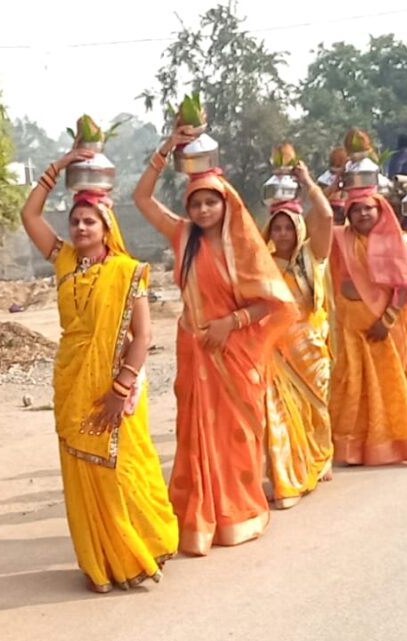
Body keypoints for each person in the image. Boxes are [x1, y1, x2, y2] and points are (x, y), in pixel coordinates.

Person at [19, 146, 178, 591]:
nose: (81, 227)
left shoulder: (128, 272)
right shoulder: (65, 260)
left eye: (90, 221)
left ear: (108, 227)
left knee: (124, 467)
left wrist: (121, 387)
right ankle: (100, 560)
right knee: (81, 469)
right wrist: (60, 165)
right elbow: (29, 215)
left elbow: (143, 336)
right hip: (72, 375)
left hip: (114, 383)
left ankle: (138, 549)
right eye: (75, 221)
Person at [133, 122, 295, 556]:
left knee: (239, 434)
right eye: (196, 203)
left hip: (236, 350)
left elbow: (274, 303)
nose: (204, 210)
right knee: (195, 433)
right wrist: (167, 148)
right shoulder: (182, 235)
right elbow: (141, 199)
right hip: (196, 349)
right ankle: (200, 519)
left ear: (226, 203)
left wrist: (231, 323)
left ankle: (239, 514)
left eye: (211, 202)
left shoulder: (243, 246)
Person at [329, 183, 407, 466]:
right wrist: (331, 186)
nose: (362, 214)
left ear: (380, 209)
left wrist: (387, 320)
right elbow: (316, 223)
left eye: (368, 208)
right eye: (355, 209)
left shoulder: (390, 241)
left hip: (381, 326)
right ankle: (352, 449)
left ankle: (390, 446)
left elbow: (404, 284)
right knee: (351, 385)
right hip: (348, 323)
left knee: (386, 386)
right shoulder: (340, 238)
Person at [261, 161, 335, 509]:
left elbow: (329, 217)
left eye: (288, 228)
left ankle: (320, 458)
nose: (282, 235)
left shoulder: (312, 256)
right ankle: (287, 476)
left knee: (314, 410)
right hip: (274, 349)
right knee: (278, 414)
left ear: (299, 229)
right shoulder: (264, 264)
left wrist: (306, 181)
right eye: (276, 229)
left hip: (309, 347)